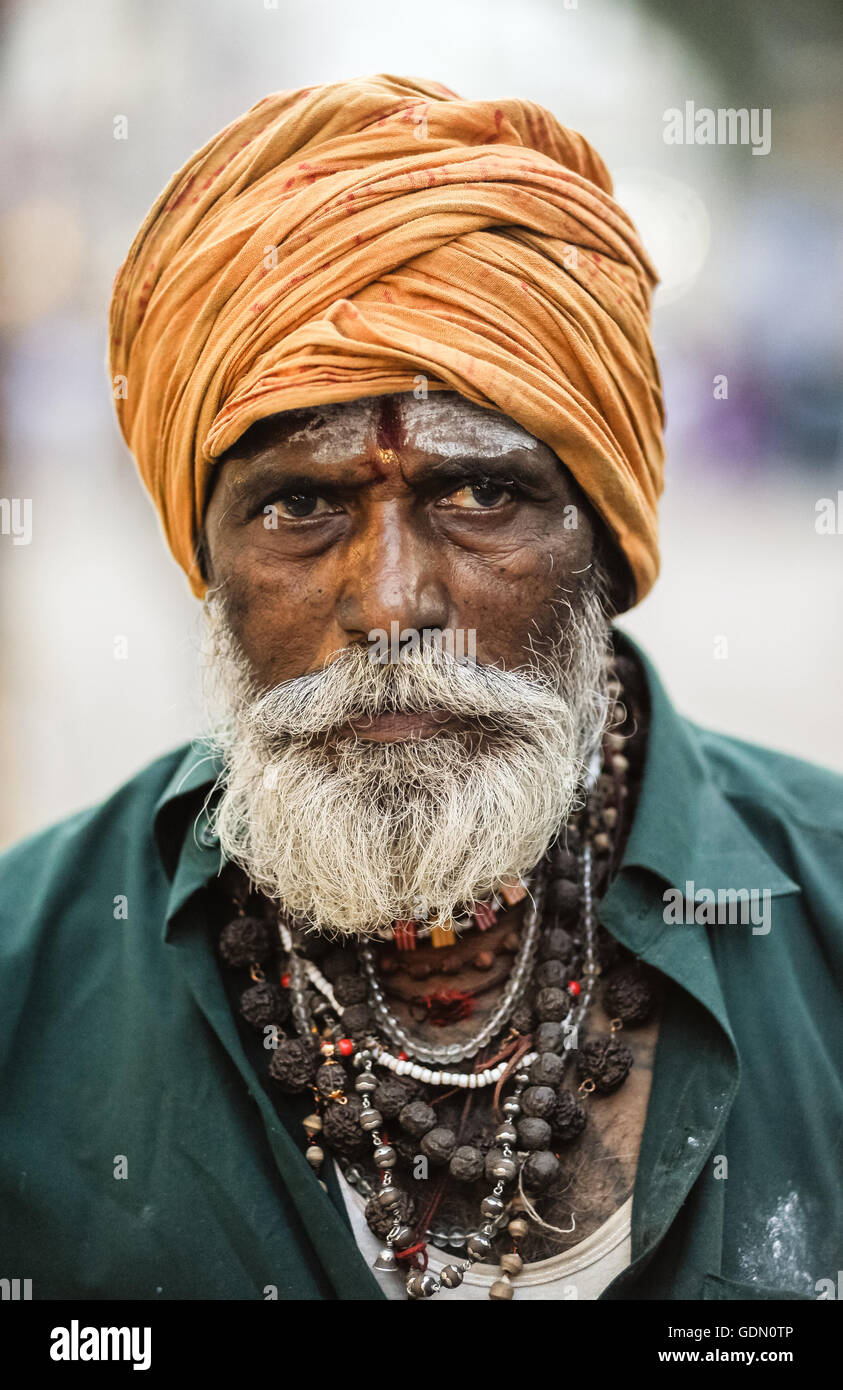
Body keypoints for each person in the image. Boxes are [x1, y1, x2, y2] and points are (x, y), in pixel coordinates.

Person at [0, 76, 840, 1303]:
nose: (392, 604)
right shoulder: (28, 983)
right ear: (206, 565)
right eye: (300, 506)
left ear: (600, 547)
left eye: (480, 495)